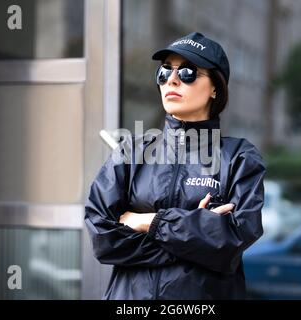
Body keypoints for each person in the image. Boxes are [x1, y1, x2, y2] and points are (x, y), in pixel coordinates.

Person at [85, 32, 266, 299]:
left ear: (215, 87)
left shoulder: (238, 157)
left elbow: (232, 241)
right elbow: (104, 239)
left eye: (188, 72)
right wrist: (196, 232)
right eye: (164, 72)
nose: (172, 79)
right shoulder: (133, 151)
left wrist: (149, 221)